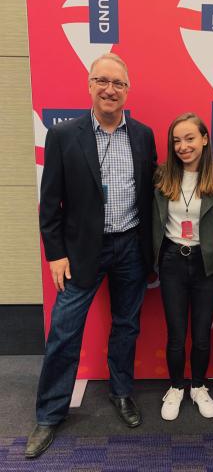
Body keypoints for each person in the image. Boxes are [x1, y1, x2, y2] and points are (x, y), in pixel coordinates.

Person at [25, 53, 157, 459]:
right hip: (82, 251)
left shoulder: (143, 135)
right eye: (102, 80)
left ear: (127, 90)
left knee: (126, 326)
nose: (109, 90)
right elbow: (50, 205)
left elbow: (150, 195)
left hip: (130, 248)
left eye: (118, 83)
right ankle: (49, 414)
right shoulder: (63, 136)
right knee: (64, 332)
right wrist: (55, 254)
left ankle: (121, 393)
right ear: (89, 85)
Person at [153, 112, 213, 421]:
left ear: (205, 138)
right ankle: (176, 387)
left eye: (190, 138)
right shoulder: (160, 176)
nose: (183, 146)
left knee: (200, 334)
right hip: (171, 260)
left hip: (206, 263)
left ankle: (198, 386)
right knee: (175, 333)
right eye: (176, 141)